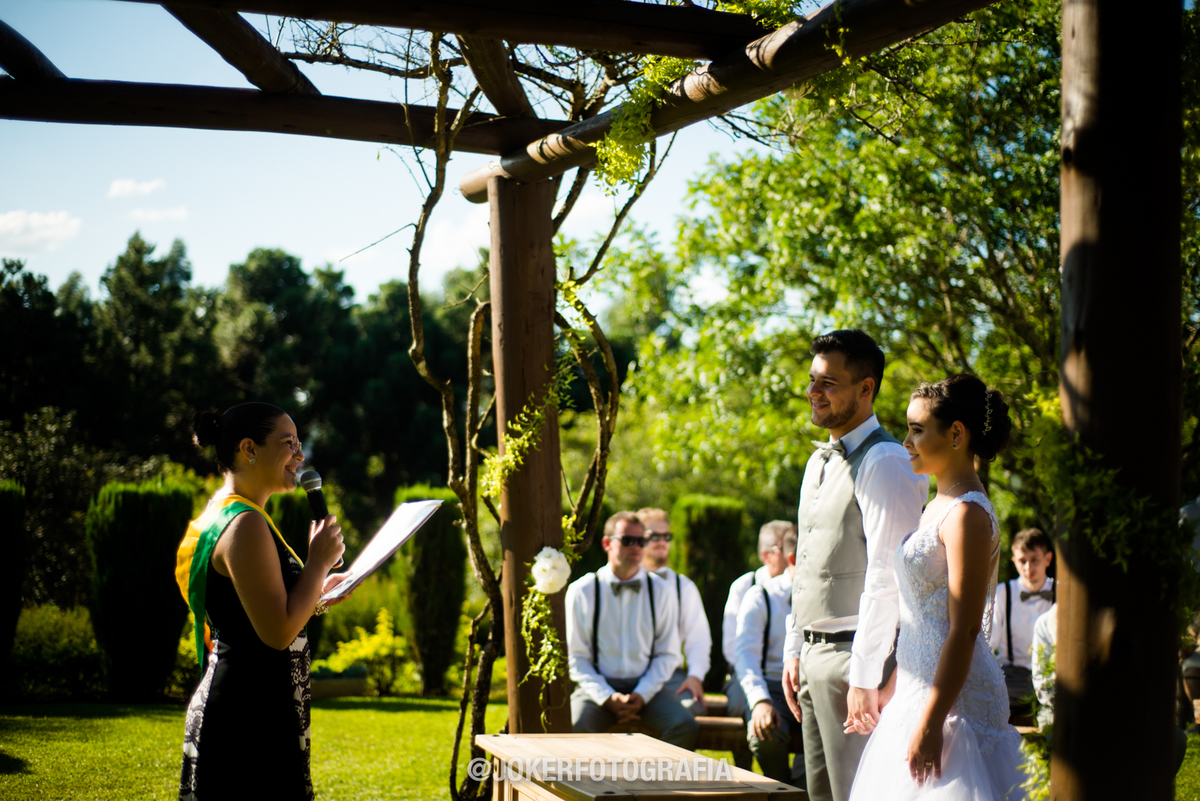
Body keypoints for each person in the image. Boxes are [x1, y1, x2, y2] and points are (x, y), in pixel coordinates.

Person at [845, 374, 1028, 800]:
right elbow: (920, 618)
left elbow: (963, 630)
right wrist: (891, 689)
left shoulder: (967, 515)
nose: (906, 442)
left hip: (954, 706)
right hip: (916, 690)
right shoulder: (936, 507)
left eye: (917, 429)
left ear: (957, 434)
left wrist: (930, 722)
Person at [781, 330, 928, 801]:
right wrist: (793, 648)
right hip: (813, 657)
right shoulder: (816, 462)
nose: (813, 393)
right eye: (812, 381)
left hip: (856, 659)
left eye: (828, 383)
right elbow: (805, 563)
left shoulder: (886, 460)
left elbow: (892, 574)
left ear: (866, 389)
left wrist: (868, 676)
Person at [176, 402, 349, 801]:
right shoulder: (245, 523)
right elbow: (276, 632)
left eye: (300, 443)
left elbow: (253, 612)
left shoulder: (234, 513)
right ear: (249, 449)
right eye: (289, 443)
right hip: (246, 717)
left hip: (254, 705)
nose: (301, 456)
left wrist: (319, 589)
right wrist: (318, 562)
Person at [566, 512, 699, 749]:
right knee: (576, 723)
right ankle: (597, 785)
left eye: (641, 541)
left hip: (648, 688)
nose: (637, 547)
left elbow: (668, 654)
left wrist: (643, 693)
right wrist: (606, 696)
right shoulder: (583, 591)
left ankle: (658, 785)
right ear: (607, 543)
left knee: (684, 724)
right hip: (597, 688)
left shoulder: (662, 590)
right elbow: (576, 657)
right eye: (628, 540)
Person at [734, 525, 802, 783]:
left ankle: (802, 788)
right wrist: (760, 700)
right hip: (773, 688)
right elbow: (745, 655)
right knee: (764, 734)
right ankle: (782, 788)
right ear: (792, 559)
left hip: (813, 690)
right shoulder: (761, 596)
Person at [638, 507, 712, 715]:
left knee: (693, 711)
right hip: (631, 675)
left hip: (670, 677)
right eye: (653, 536)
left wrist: (695, 676)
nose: (661, 542)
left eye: (666, 536)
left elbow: (699, 639)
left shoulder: (683, 586)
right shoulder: (624, 583)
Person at [724, 521, 793, 725]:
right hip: (746, 671)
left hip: (788, 678)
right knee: (739, 706)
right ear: (766, 555)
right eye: (783, 548)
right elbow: (732, 647)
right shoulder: (745, 586)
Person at [988, 528, 1055, 719]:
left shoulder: (1061, 593)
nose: (1028, 567)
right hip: (1012, 678)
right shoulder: (1003, 593)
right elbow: (987, 642)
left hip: (1051, 677)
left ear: (1047, 559)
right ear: (1014, 561)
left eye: (1034, 560)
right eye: (1022, 561)